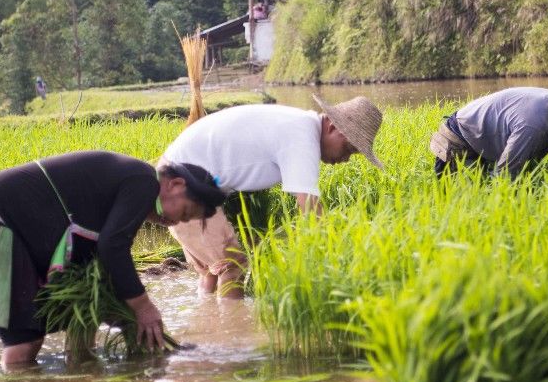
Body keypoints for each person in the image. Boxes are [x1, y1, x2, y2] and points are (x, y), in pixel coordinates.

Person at [0, 151, 225, 368]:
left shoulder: (128, 187)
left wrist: (118, 315)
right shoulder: (144, 182)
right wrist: (143, 307)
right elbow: (112, 246)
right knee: (25, 341)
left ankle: (65, 372)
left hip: (0, 225)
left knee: (46, 328)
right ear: (175, 184)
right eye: (185, 212)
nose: (174, 222)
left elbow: (97, 261)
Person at [160, 96, 384, 299]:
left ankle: (208, 328)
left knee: (213, 272)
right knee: (232, 267)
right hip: (180, 188)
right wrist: (341, 261)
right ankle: (231, 339)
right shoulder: (303, 136)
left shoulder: (299, 124)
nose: (346, 159)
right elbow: (310, 209)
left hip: (175, 178)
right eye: (348, 149)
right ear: (334, 127)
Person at [430, 81, 548, 178]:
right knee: (469, 206)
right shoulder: (537, 121)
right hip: (458, 145)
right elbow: (504, 176)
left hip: (481, 147)